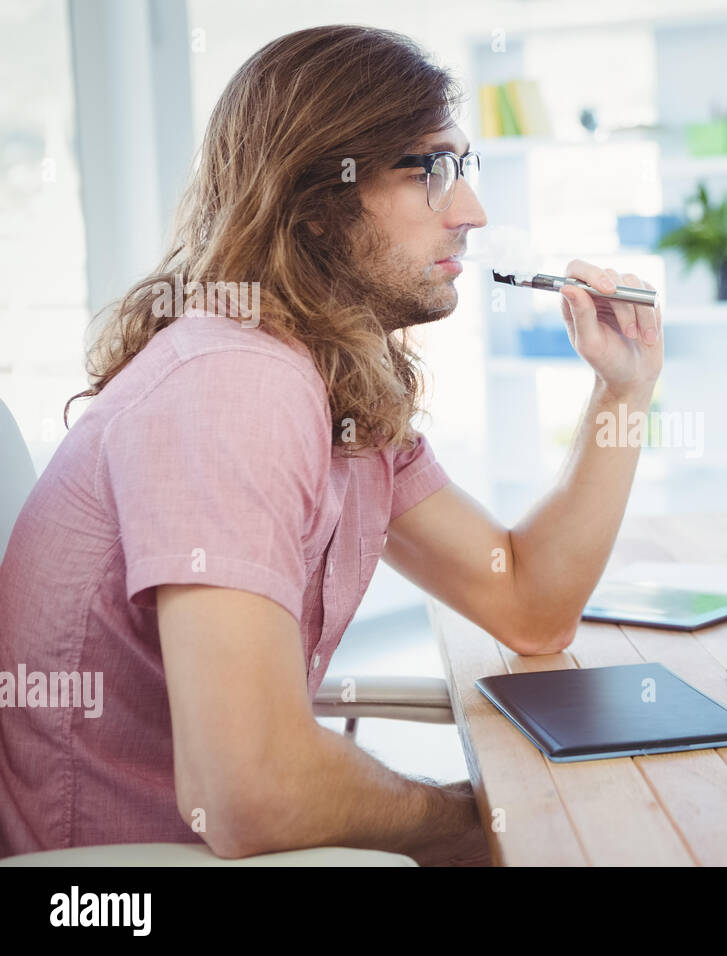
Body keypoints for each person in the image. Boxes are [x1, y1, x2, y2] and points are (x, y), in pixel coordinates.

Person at [0, 25, 662, 866]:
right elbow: (253, 794)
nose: (471, 214)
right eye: (430, 172)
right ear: (314, 196)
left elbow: (529, 604)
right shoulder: (233, 386)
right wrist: (473, 822)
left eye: (463, 170)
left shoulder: (332, 383)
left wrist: (623, 390)